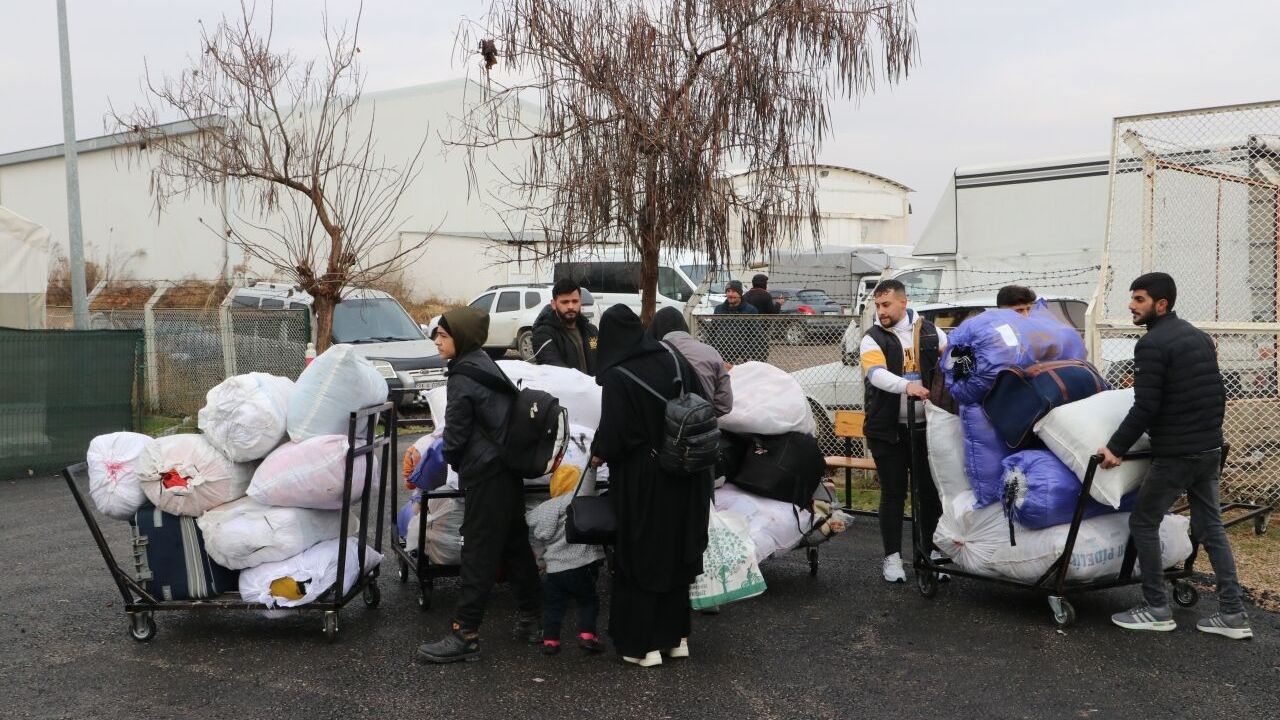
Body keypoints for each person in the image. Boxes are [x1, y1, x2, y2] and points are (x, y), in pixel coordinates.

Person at [1099, 273, 1251, 639]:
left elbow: (1146, 406)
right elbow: (1217, 393)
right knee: (1211, 527)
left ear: (1160, 304)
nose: (1131, 306)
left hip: (1177, 454)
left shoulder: (1152, 345)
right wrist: (1209, 438)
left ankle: (1155, 608)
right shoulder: (1197, 336)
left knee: (1143, 521)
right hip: (1208, 448)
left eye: (1139, 299)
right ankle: (1233, 613)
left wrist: (1115, 448)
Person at [416, 307, 543, 664]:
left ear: (462, 337)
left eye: (443, 336)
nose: (437, 342)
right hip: (506, 469)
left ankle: (465, 633)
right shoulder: (483, 363)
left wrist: (455, 460)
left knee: (477, 552)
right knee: (514, 544)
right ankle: (533, 619)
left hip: (487, 473)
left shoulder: (462, 377)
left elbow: (455, 435)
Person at [591, 304, 712, 667]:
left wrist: (598, 454)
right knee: (676, 554)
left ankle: (642, 646)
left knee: (642, 557)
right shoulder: (674, 358)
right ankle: (676, 639)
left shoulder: (617, 375)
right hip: (688, 474)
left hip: (645, 479)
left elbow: (615, 436)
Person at [859, 279, 948, 584]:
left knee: (929, 493)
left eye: (885, 305)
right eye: (877, 305)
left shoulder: (931, 332)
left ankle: (930, 552)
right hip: (888, 430)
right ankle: (892, 558)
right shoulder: (872, 338)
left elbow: (949, 364)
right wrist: (906, 385)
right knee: (893, 493)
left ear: (903, 302)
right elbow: (877, 374)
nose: (880, 311)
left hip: (926, 427)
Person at [526, 463, 606, 656]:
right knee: (588, 601)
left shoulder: (542, 511)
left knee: (554, 606)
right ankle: (588, 636)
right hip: (579, 566)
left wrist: (540, 564)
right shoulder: (575, 502)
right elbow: (586, 483)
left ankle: (550, 641)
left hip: (553, 571)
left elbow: (536, 543)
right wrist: (591, 464)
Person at [647, 306, 733, 417]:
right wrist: (703, 417)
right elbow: (724, 404)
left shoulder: (653, 354)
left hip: (665, 426)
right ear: (684, 326)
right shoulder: (711, 352)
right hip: (704, 425)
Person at [531, 279, 599, 374]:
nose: (571, 306)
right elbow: (555, 369)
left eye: (575, 301)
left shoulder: (591, 331)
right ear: (554, 304)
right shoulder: (544, 335)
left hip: (593, 388)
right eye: (565, 302)